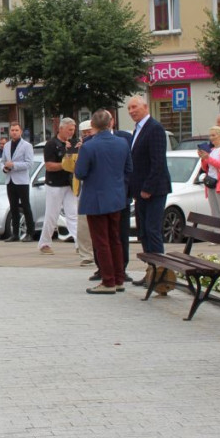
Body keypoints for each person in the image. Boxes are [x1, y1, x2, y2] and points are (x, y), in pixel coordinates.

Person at [75, 110, 132, 294]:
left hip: (95, 198)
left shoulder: (89, 146)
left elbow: (80, 172)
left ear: (93, 126)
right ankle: (119, 278)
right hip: (116, 196)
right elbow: (129, 168)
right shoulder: (122, 142)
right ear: (111, 123)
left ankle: (108, 281)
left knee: (101, 241)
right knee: (115, 238)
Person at [126, 96, 171, 272]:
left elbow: (158, 161)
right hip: (139, 191)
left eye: (134, 107)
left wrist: (148, 188)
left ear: (145, 107)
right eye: (129, 108)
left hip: (153, 190)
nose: (131, 111)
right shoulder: (137, 129)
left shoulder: (154, 128)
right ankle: (150, 271)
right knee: (143, 232)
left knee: (153, 231)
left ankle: (160, 273)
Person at [39, 118, 79, 255]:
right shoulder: (51, 144)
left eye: (73, 130)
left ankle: (80, 243)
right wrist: (66, 165)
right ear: (61, 129)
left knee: (73, 214)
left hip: (69, 183)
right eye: (69, 129)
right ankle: (44, 243)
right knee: (52, 214)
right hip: (54, 184)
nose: (72, 133)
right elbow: (49, 166)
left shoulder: (74, 143)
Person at [1, 122, 36, 242]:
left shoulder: (27, 146)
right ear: (10, 132)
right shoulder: (6, 146)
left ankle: (30, 233)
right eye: (12, 130)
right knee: (13, 207)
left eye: (16, 130)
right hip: (10, 180)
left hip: (22, 181)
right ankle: (15, 233)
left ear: (20, 131)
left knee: (26, 207)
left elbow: (29, 163)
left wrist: (14, 165)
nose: (14, 132)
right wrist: (4, 168)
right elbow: (2, 161)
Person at [198, 125, 220, 220]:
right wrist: (203, 158)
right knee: (214, 211)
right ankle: (216, 232)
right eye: (210, 135)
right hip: (210, 182)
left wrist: (208, 158)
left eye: (213, 135)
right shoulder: (212, 150)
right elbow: (205, 168)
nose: (211, 138)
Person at [73, 119, 95, 267]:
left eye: (89, 132)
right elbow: (74, 170)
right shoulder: (80, 147)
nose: (86, 135)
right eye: (84, 133)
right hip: (82, 189)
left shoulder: (92, 146)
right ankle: (86, 254)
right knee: (83, 225)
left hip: (94, 189)